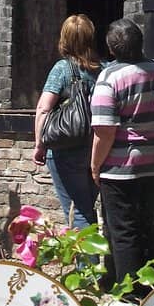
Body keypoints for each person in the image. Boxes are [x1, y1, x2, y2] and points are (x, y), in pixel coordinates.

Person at [90, 17, 154, 293]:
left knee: (122, 232)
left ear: (111, 49)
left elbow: (104, 130)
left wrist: (95, 164)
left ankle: (129, 293)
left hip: (118, 167)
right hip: (151, 166)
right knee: (147, 226)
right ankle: (153, 291)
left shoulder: (109, 78)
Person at [33, 14, 102, 229]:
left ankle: (86, 263)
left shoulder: (62, 69)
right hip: (97, 147)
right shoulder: (105, 69)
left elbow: (44, 108)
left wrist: (39, 144)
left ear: (64, 39)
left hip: (66, 147)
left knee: (77, 210)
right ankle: (93, 261)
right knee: (87, 207)